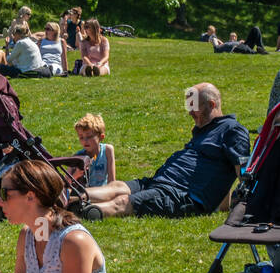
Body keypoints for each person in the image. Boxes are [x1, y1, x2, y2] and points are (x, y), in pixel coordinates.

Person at [84, 83, 250, 218]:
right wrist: (223, 208)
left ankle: (79, 213)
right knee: (117, 186)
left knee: (122, 201)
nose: (190, 113)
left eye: (194, 107)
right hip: (160, 182)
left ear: (212, 105)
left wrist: (239, 206)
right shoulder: (203, 130)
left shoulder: (233, 130)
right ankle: (69, 198)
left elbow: (241, 172)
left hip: (182, 195)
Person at [72, 113, 115, 188]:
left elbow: (112, 181)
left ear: (101, 137)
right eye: (81, 137)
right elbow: (65, 182)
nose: (85, 141)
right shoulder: (78, 157)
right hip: (85, 194)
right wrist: (76, 175)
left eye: (89, 136)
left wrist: (111, 192)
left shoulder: (107, 150)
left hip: (104, 191)